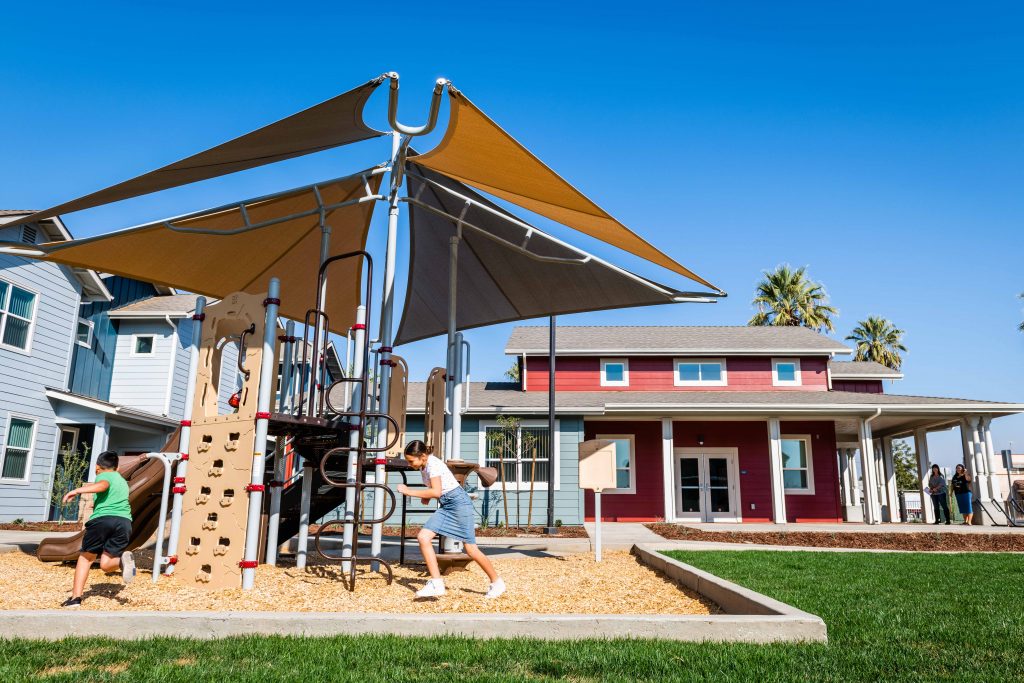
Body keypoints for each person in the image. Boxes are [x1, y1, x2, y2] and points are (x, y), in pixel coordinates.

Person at [396, 440, 505, 599]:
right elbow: (437, 489)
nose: (409, 463)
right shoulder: (424, 465)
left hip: (459, 504)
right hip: (447, 505)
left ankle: (497, 582)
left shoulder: (433, 465)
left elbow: (437, 492)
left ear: (423, 456)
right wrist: (428, 496)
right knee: (423, 537)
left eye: (411, 460)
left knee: (471, 549)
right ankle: (436, 583)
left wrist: (409, 491)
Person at [60, 451, 136, 607]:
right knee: (106, 564)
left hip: (103, 520)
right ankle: (122, 562)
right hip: (124, 522)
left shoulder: (103, 476)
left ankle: (75, 598)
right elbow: (112, 496)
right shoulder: (122, 481)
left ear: (97, 468)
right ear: (118, 467)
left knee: (86, 557)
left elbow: (103, 486)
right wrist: (96, 503)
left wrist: (77, 490)